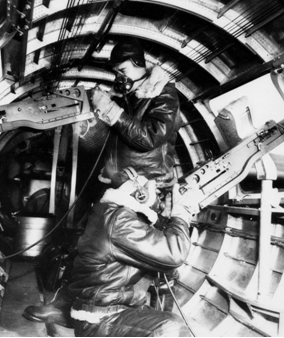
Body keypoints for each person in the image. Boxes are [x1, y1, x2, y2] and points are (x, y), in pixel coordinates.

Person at [67, 167, 200, 337]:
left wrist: (165, 219)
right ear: (140, 194)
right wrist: (182, 213)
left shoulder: (110, 213)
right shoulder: (119, 220)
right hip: (102, 320)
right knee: (170, 328)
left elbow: (153, 252)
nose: (158, 199)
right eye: (157, 193)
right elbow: (174, 255)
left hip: (107, 314)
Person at [91, 40, 181, 189]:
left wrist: (109, 109)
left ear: (138, 63)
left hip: (148, 186)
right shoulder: (125, 97)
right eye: (116, 73)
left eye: (123, 71)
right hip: (122, 182)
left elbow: (150, 137)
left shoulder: (164, 93)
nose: (119, 77)